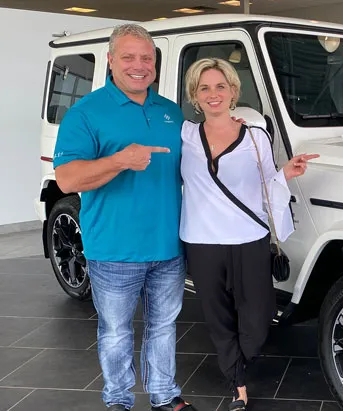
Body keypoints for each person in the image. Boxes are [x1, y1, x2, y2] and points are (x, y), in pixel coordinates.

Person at [53, 24, 196, 411]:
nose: (139, 65)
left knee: (163, 327)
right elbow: (67, 179)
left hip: (168, 246)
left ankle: (164, 395)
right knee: (116, 331)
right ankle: (118, 399)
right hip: (114, 249)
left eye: (147, 58)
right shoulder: (85, 113)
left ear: (155, 64)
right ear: (110, 61)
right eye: (129, 57)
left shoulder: (169, 112)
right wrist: (119, 160)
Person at [179, 57, 318, 411]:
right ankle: (237, 383)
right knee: (218, 317)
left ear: (233, 91)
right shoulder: (184, 135)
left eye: (220, 86)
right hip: (202, 241)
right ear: (194, 95)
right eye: (204, 88)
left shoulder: (255, 136)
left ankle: (238, 361)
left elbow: (267, 184)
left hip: (248, 238)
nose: (213, 94)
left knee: (258, 317)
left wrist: (286, 173)